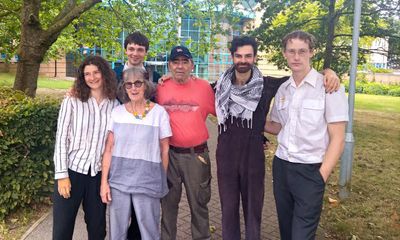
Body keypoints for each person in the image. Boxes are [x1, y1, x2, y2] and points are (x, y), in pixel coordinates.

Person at [214, 35, 340, 240]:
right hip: (226, 156)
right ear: (232, 57)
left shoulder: (268, 85)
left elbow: (300, 75)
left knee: (253, 211)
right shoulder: (219, 87)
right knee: (228, 209)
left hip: (253, 157)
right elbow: (191, 89)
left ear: (254, 57)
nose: (243, 60)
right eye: (238, 56)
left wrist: (328, 72)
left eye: (248, 55)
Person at [265, 30, 348, 240]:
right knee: (286, 229)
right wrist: (248, 123)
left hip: (311, 171)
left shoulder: (330, 87)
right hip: (282, 167)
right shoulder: (283, 89)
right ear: (284, 54)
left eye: (302, 51)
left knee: (301, 235)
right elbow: (276, 126)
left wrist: (321, 176)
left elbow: (338, 138)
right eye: (291, 51)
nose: (296, 56)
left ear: (312, 52)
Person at [52, 55, 119, 240]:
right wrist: (62, 175)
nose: (92, 77)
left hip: (97, 176)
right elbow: (61, 138)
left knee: (97, 230)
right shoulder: (72, 100)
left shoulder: (114, 104)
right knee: (62, 230)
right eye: (87, 74)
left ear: (104, 73)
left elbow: (112, 144)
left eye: (96, 72)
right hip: (72, 173)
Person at [100, 67, 171, 239]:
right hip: (119, 182)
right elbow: (108, 149)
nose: (133, 88)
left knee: (149, 232)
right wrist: (104, 183)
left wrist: (161, 178)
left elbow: (165, 149)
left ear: (146, 85)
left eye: (138, 83)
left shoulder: (159, 113)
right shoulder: (117, 112)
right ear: (123, 88)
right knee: (117, 233)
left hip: (148, 182)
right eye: (128, 84)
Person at [157, 46, 216, 240]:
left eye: (184, 62)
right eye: (175, 62)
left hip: (196, 156)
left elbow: (225, 114)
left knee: (199, 204)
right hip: (169, 156)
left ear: (192, 65)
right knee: (168, 206)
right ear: (169, 66)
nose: (180, 66)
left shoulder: (205, 88)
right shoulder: (160, 88)